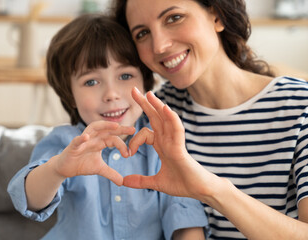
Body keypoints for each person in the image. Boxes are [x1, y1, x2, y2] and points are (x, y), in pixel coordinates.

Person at [111, 0, 308, 239]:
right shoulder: (154, 115)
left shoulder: (300, 106)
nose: (160, 45)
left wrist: (213, 191)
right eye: (142, 33)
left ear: (217, 16)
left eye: (174, 18)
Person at [7, 14, 208, 240]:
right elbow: (28, 200)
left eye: (125, 75)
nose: (111, 94)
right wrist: (57, 169)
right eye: (91, 81)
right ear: (69, 94)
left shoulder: (162, 142)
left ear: (145, 81)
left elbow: (184, 215)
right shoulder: (66, 142)